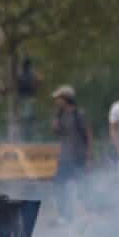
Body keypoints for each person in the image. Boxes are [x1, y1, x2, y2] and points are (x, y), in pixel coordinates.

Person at [50, 85, 91, 219]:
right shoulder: (60, 114)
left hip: (78, 157)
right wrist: (56, 123)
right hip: (64, 158)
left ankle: (85, 214)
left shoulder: (78, 114)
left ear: (66, 99)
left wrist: (89, 156)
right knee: (59, 186)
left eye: (59, 98)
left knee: (82, 188)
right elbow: (57, 132)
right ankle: (65, 216)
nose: (56, 101)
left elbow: (88, 134)